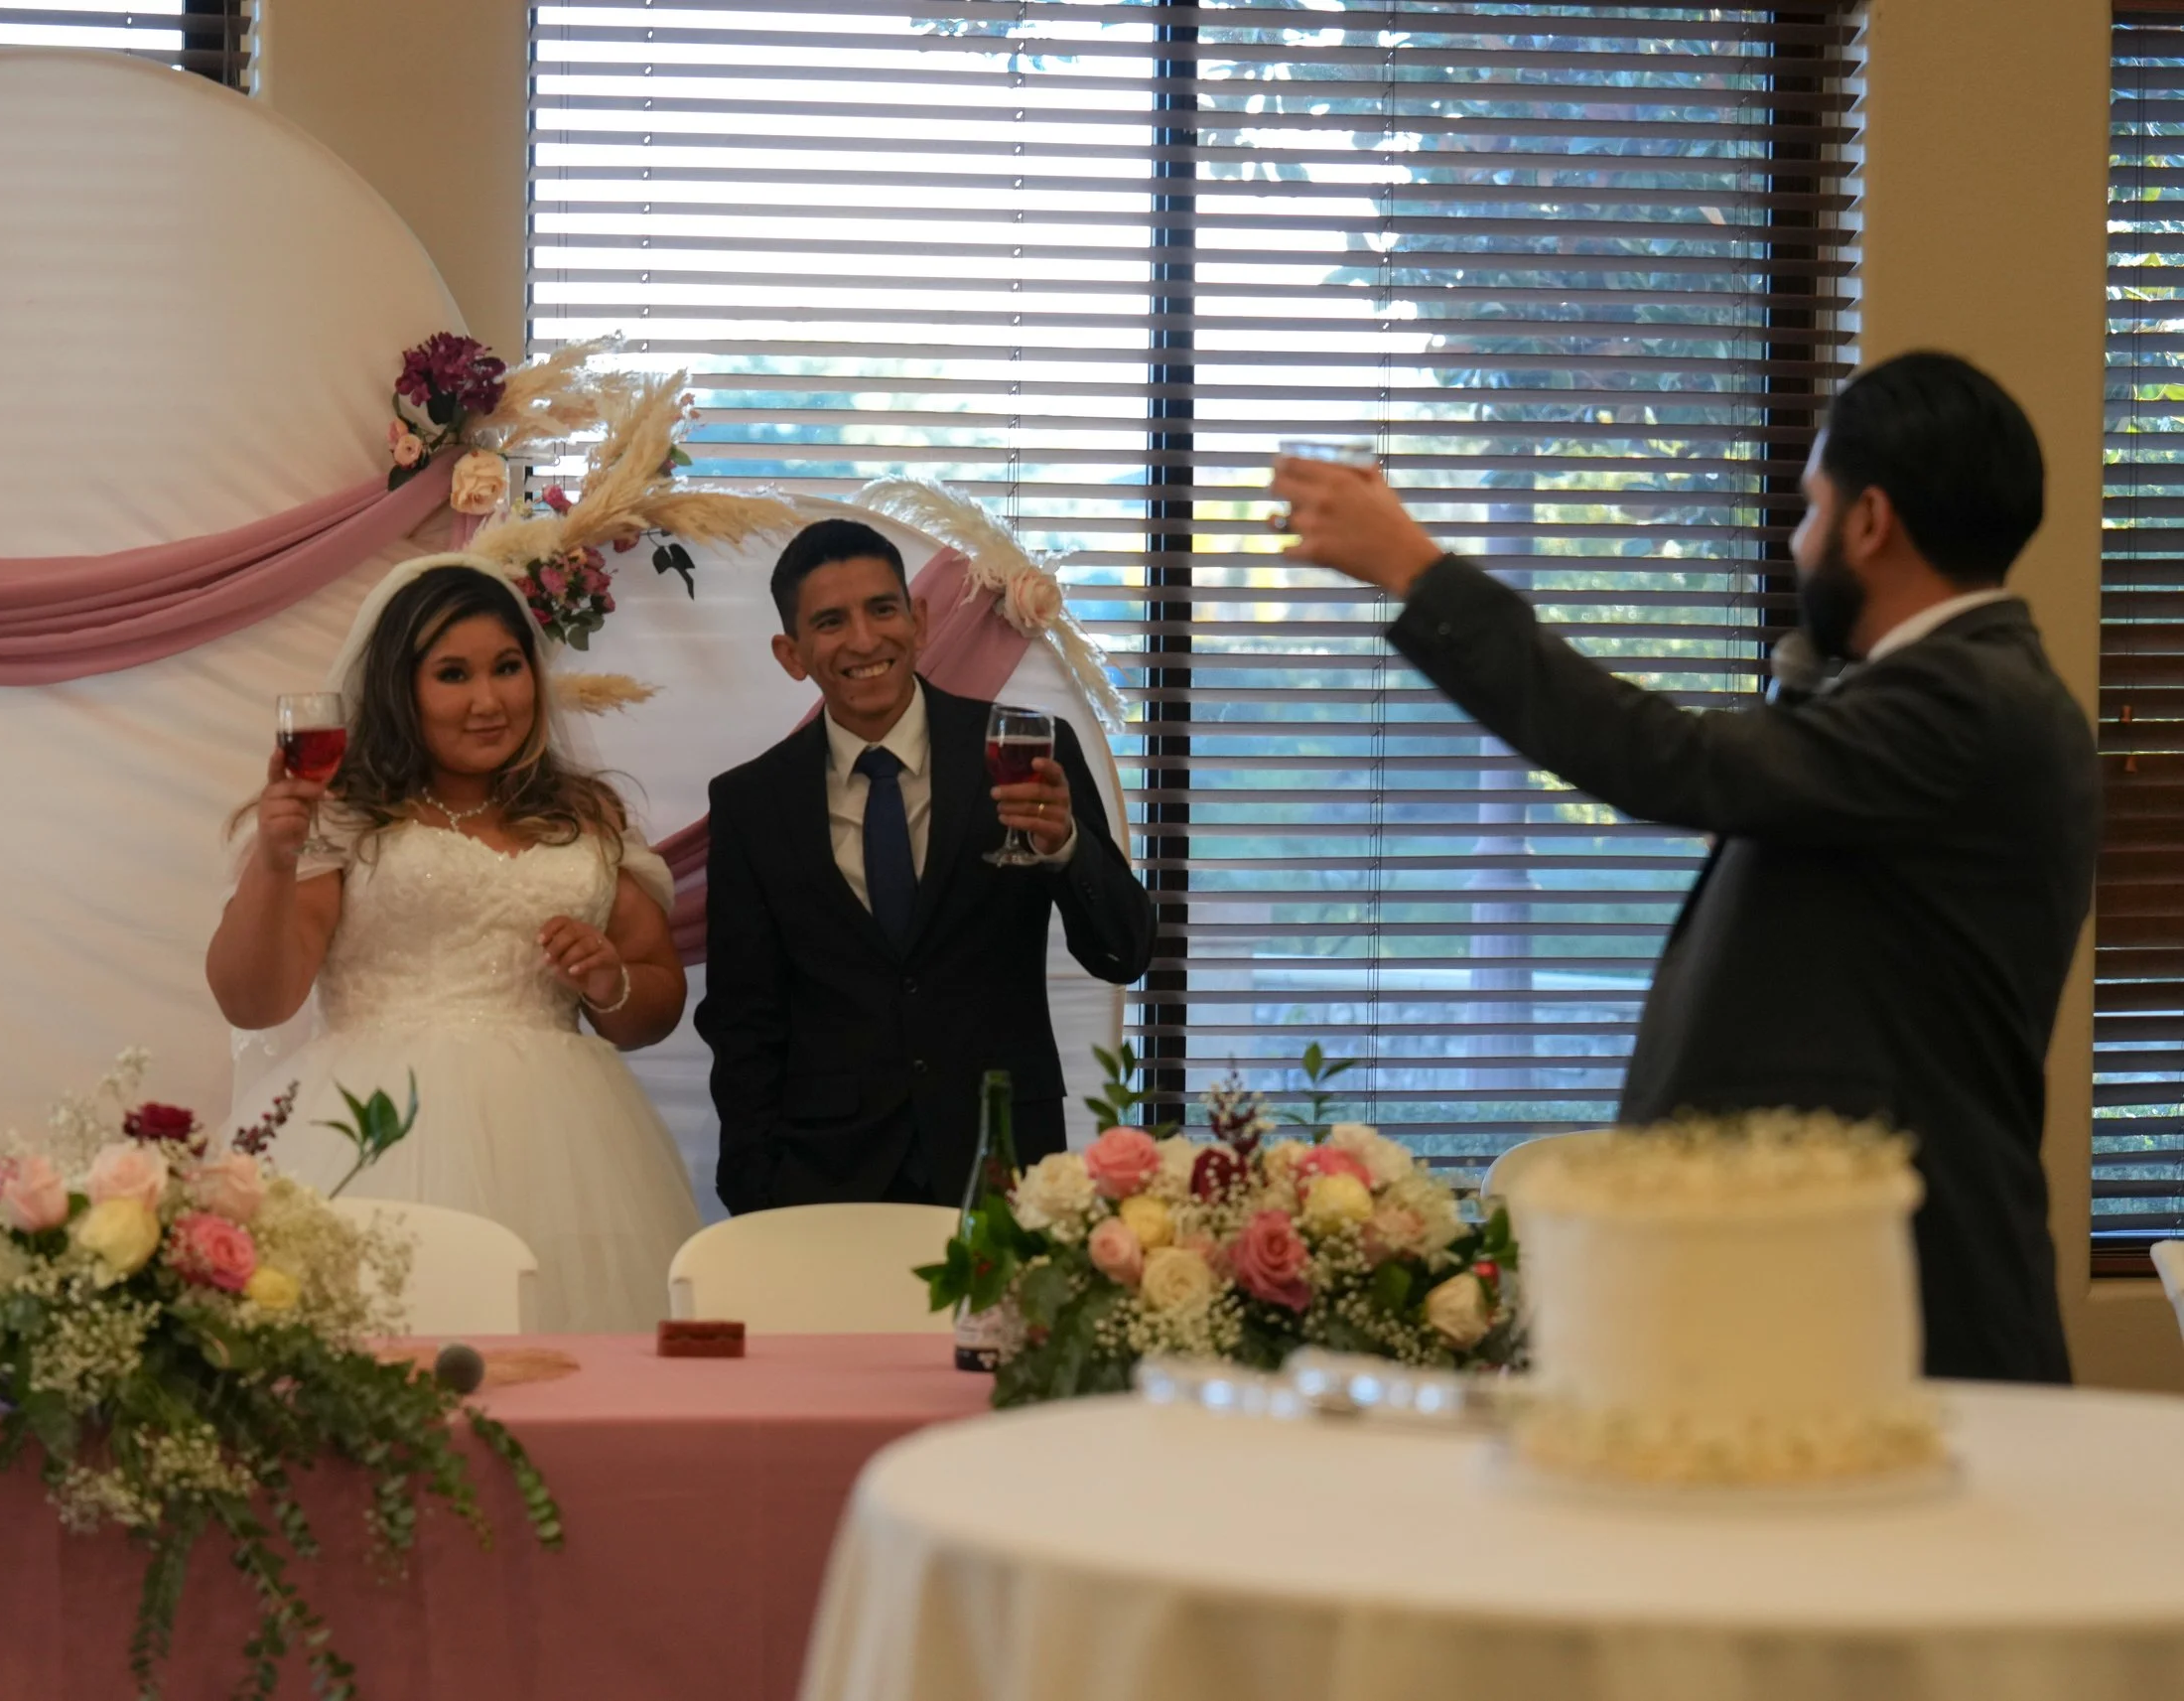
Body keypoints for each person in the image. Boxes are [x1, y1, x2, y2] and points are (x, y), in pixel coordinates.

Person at [1273, 352, 2098, 1383]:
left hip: (1902, 1299)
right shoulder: (1948, 696)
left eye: (1809, 509)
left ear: (1870, 521)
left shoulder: (1964, 705)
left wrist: (1418, 572)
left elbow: (1670, 761)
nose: (1796, 544)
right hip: (1825, 1282)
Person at [207, 554, 700, 1332]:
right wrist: (274, 859)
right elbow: (255, 998)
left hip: (566, 1145)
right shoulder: (346, 817)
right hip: (371, 1126)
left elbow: (657, 1003)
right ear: (401, 690)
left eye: (507, 667)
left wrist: (610, 983)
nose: (488, 700)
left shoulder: (587, 818)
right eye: (452, 675)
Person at [699, 517, 1157, 1212]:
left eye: (882, 609)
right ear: (791, 652)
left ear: (918, 618)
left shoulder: (1027, 747)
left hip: (1004, 1161)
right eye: (830, 621)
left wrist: (1066, 847)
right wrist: (755, 1191)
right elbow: (743, 1022)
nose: (863, 639)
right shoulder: (751, 802)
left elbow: (1126, 950)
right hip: (823, 1181)